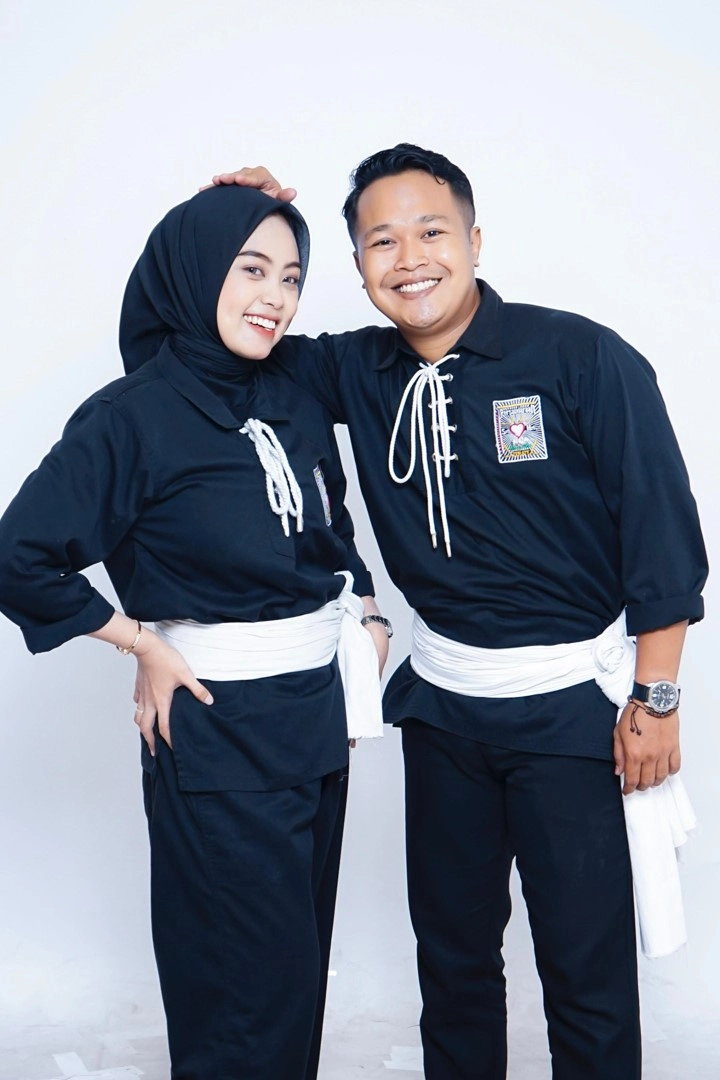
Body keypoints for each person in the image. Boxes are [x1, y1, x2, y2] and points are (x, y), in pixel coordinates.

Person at [211, 145, 708, 1080]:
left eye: (431, 232)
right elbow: (194, 350)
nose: (410, 259)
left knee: (587, 975)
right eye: (382, 242)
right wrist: (228, 227)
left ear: (475, 240)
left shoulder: (580, 356)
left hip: (574, 716)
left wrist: (657, 698)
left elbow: (661, 535)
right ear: (358, 267)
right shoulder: (353, 371)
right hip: (443, 710)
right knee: (453, 966)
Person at [0, 184, 390, 1080]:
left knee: (296, 976)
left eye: (291, 277)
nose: (275, 297)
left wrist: (366, 608)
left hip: (317, 717)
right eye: (250, 269)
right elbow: (17, 556)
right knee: (240, 994)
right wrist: (141, 643)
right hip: (216, 725)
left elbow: (329, 524)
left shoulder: (292, 390)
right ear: (195, 272)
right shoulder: (130, 416)